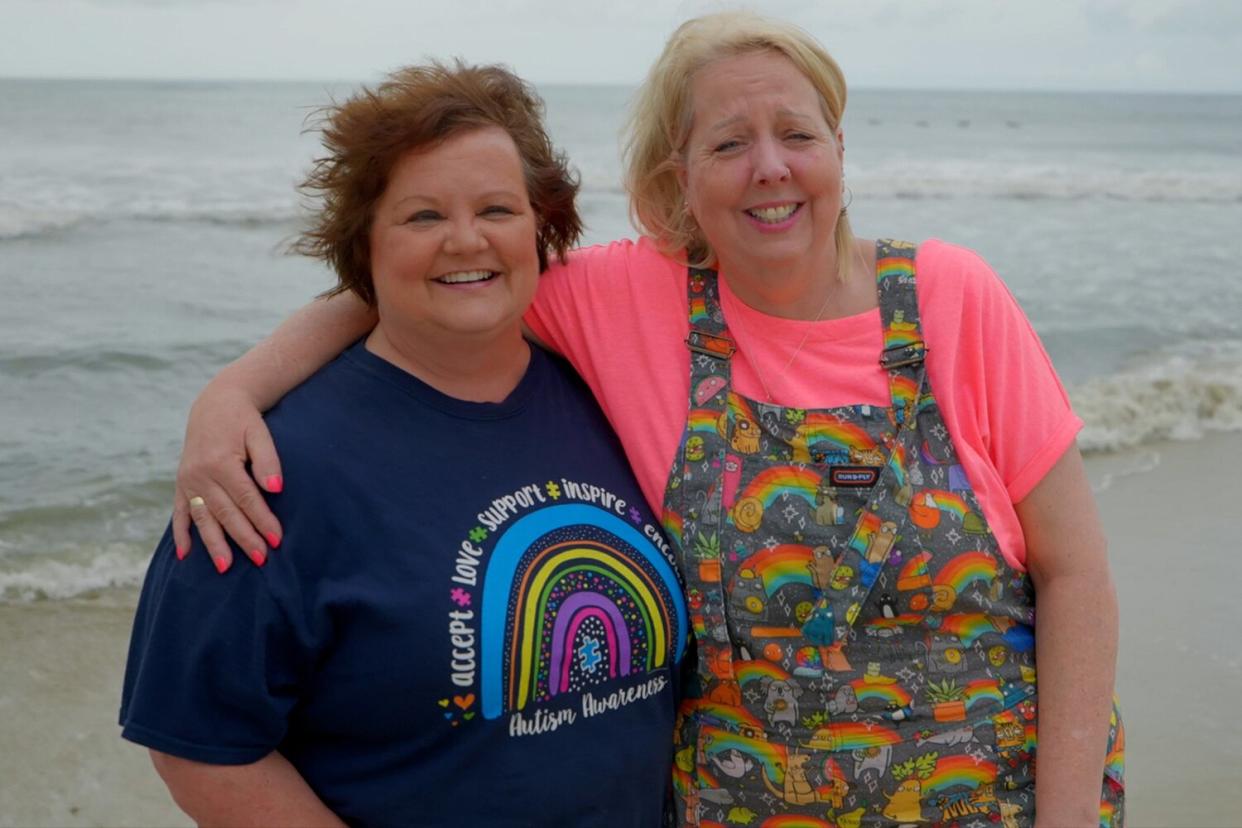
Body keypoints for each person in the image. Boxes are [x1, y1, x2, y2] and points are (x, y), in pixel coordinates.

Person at [171, 12, 1125, 826]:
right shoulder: (631, 300)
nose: (769, 169)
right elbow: (430, 279)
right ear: (680, 174)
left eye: (797, 133)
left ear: (839, 149)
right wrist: (235, 394)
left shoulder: (952, 296)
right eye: (727, 143)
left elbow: (1073, 573)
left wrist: (1066, 815)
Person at [119, 62, 688, 828]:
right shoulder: (269, 467)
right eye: (422, 217)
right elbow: (201, 744)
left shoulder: (607, 392)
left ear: (542, 227)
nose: (465, 240)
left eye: (497, 208)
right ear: (366, 244)